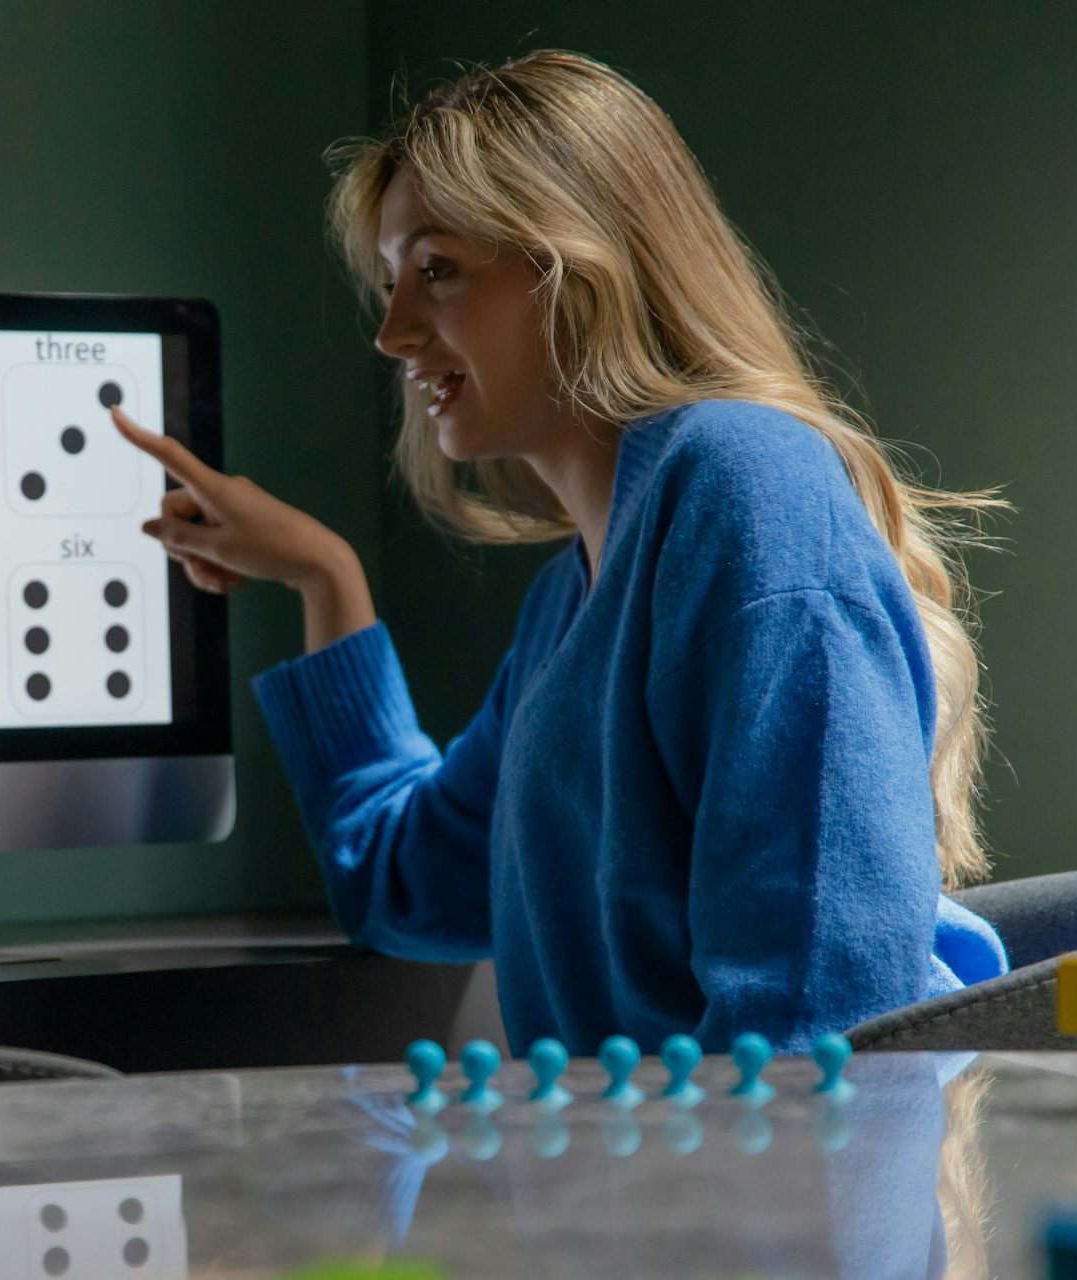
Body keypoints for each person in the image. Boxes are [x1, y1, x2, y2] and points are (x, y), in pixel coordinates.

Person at [115, 50, 1009, 1054]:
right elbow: (405, 880)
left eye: (438, 269)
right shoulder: (568, 605)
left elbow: (818, 1012)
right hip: (641, 1197)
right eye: (389, 282)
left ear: (577, 264)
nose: (393, 331)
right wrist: (326, 576)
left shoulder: (747, 482)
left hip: (772, 1199)